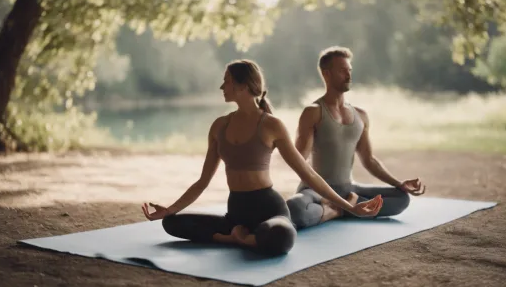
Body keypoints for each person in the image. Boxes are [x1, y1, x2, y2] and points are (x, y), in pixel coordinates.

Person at [141, 59, 383, 256]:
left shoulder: (271, 125)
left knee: (281, 236)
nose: (222, 87)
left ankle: (240, 238)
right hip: (235, 212)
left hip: (269, 209)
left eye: (226, 81)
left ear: (242, 86)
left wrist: (350, 207)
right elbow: (203, 181)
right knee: (171, 223)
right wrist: (170, 209)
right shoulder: (219, 126)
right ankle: (236, 238)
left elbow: (307, 173)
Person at [286, 46, 426, 230]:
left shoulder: (361, 115)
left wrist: (399, 183)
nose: (349, 75)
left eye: (349, 70)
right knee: (295, 210)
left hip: (348, 189)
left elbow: (369, 160)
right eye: (342, 71)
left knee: (401, 198)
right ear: (326, 74)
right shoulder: (313, 112)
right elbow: (300, 159)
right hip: (316, 192)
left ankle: (340, 208)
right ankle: (343, 209)